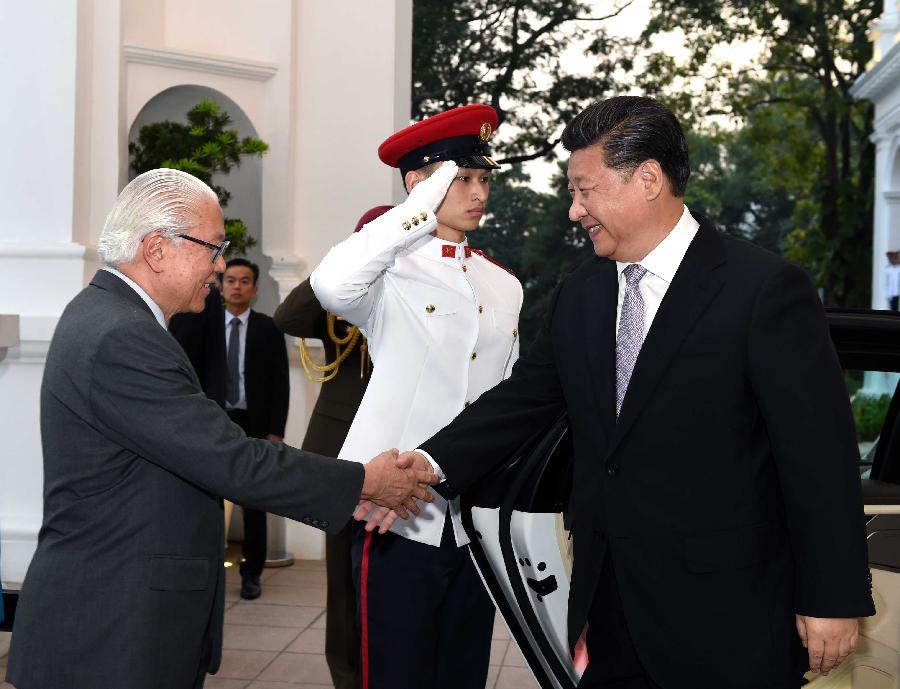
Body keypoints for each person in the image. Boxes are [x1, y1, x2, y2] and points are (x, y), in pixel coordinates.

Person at [400, 96, 873, 689]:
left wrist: (832, 596)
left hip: (731, 616)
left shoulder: (764, 289)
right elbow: (527, 399)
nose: (574, 211)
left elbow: (819, 457)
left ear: (647, 178)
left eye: (584, 190)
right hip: (611, 608)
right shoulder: (584, 292)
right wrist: (425, 463)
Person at [4, 168, 437, 689]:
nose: (217, 265)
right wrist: (364, 481)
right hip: (112, 628)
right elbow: (231, 459)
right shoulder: (122, 336)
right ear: (157, 248)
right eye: (211, 247)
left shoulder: (111, 316)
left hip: (125, 615)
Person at [311, 105, 523, 689]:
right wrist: (414, 213)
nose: (479, 192)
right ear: (420, 183)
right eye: (462, 179)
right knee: (395, 673)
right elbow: (329, 285)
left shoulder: (503, 284)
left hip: (472, 515)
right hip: (395, 514)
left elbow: (503, 397)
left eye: (485, 179)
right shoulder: (388, 271)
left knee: (462, 671)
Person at [273, 205, 388, 689]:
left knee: (393, 576)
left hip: (398, 447)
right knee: (342, 576)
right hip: (341, 449)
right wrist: (339, 261)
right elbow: (287, 317)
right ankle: (347, 673)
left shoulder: (415, 292)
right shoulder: (338, 295)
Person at [219, 257, 291, 600]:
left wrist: (275, 430)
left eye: (244, 281)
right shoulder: (203, 326)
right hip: (215, 421)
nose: (236, 286)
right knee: (209, 499)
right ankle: (211, 569)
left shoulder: (268, 328)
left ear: (255, 288)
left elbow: (280, 383)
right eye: (230, 280)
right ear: (221, 286)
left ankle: (251, 573)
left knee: (254, 501)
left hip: (255, 424)